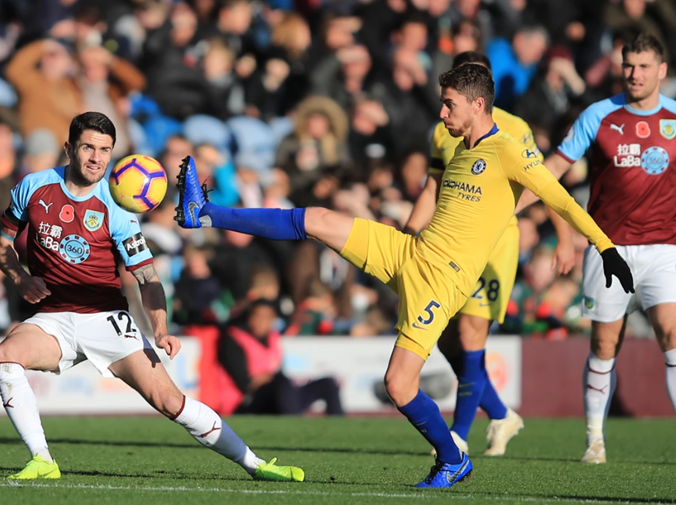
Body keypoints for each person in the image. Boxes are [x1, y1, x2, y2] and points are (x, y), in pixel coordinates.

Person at [175, 63, 634, 488]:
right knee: (317, 218)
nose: (441, 111)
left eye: (449, 102)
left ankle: (452, 458)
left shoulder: (509, 152)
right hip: (410, 251)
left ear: (477, 104)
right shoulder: (456, 147)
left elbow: (562, 199)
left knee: (399, 385)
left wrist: (605, 247)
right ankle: (205, 212)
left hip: (442, 281)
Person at [0, 112, 304, 482]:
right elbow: (1, 240)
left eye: (105, 150)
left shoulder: (118, 207)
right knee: (5, 355)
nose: (96, 158)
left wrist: (160, 328)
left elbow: (148, 278)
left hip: (106, 319)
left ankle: (256, 465)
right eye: (88, 147)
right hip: (54, 317)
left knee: (171, 403)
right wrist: (20, 278)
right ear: (69, 148)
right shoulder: (34, 187)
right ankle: (42, 460)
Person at [518, 33, 676, 465]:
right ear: (620, 67)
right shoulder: (598, 116)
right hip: (608, 249)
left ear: (661, 71)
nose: (635, 74)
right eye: (628, 65)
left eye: (644, 66)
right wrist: (509, 207)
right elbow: (553, 169)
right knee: (604, 345)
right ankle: (594, 442)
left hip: (665, 247)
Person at [403, 51, 576, 458]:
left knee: (470, 333)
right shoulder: (442, 130)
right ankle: (500, 413)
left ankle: (458, 433)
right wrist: (411, 230)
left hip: (497, 241)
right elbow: (433, 185)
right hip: (449, 242)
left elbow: (543, 182)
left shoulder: (514, 129)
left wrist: (564, 237)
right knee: (446, 340)